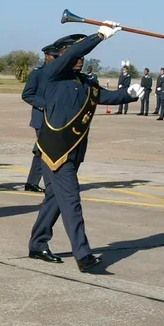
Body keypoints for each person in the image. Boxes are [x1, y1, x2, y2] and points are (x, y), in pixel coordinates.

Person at [28, 22, 134, 272]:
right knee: (71, 200)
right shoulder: (52, 75)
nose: (80, 60)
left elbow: (104, 97)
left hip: (73, 149)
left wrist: (130, 93)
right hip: (56, 150)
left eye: (82, 56)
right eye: (75, 55)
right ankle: (83, 254)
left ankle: (37, 243)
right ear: (63, 56)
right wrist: (98, 36)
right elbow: (75, 52)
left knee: (54, 199)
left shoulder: (85, 82)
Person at [22, 41, 72, 191]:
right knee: (45, 151)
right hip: (41, 118)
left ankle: (32, 183)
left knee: (43, 151)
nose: (56, 59)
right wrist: (46, 105)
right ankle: (47, 184)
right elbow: (27, 95)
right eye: (54, 56)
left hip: (57, 119)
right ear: (46, 57)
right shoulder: (38, 73)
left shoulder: (61, 74)